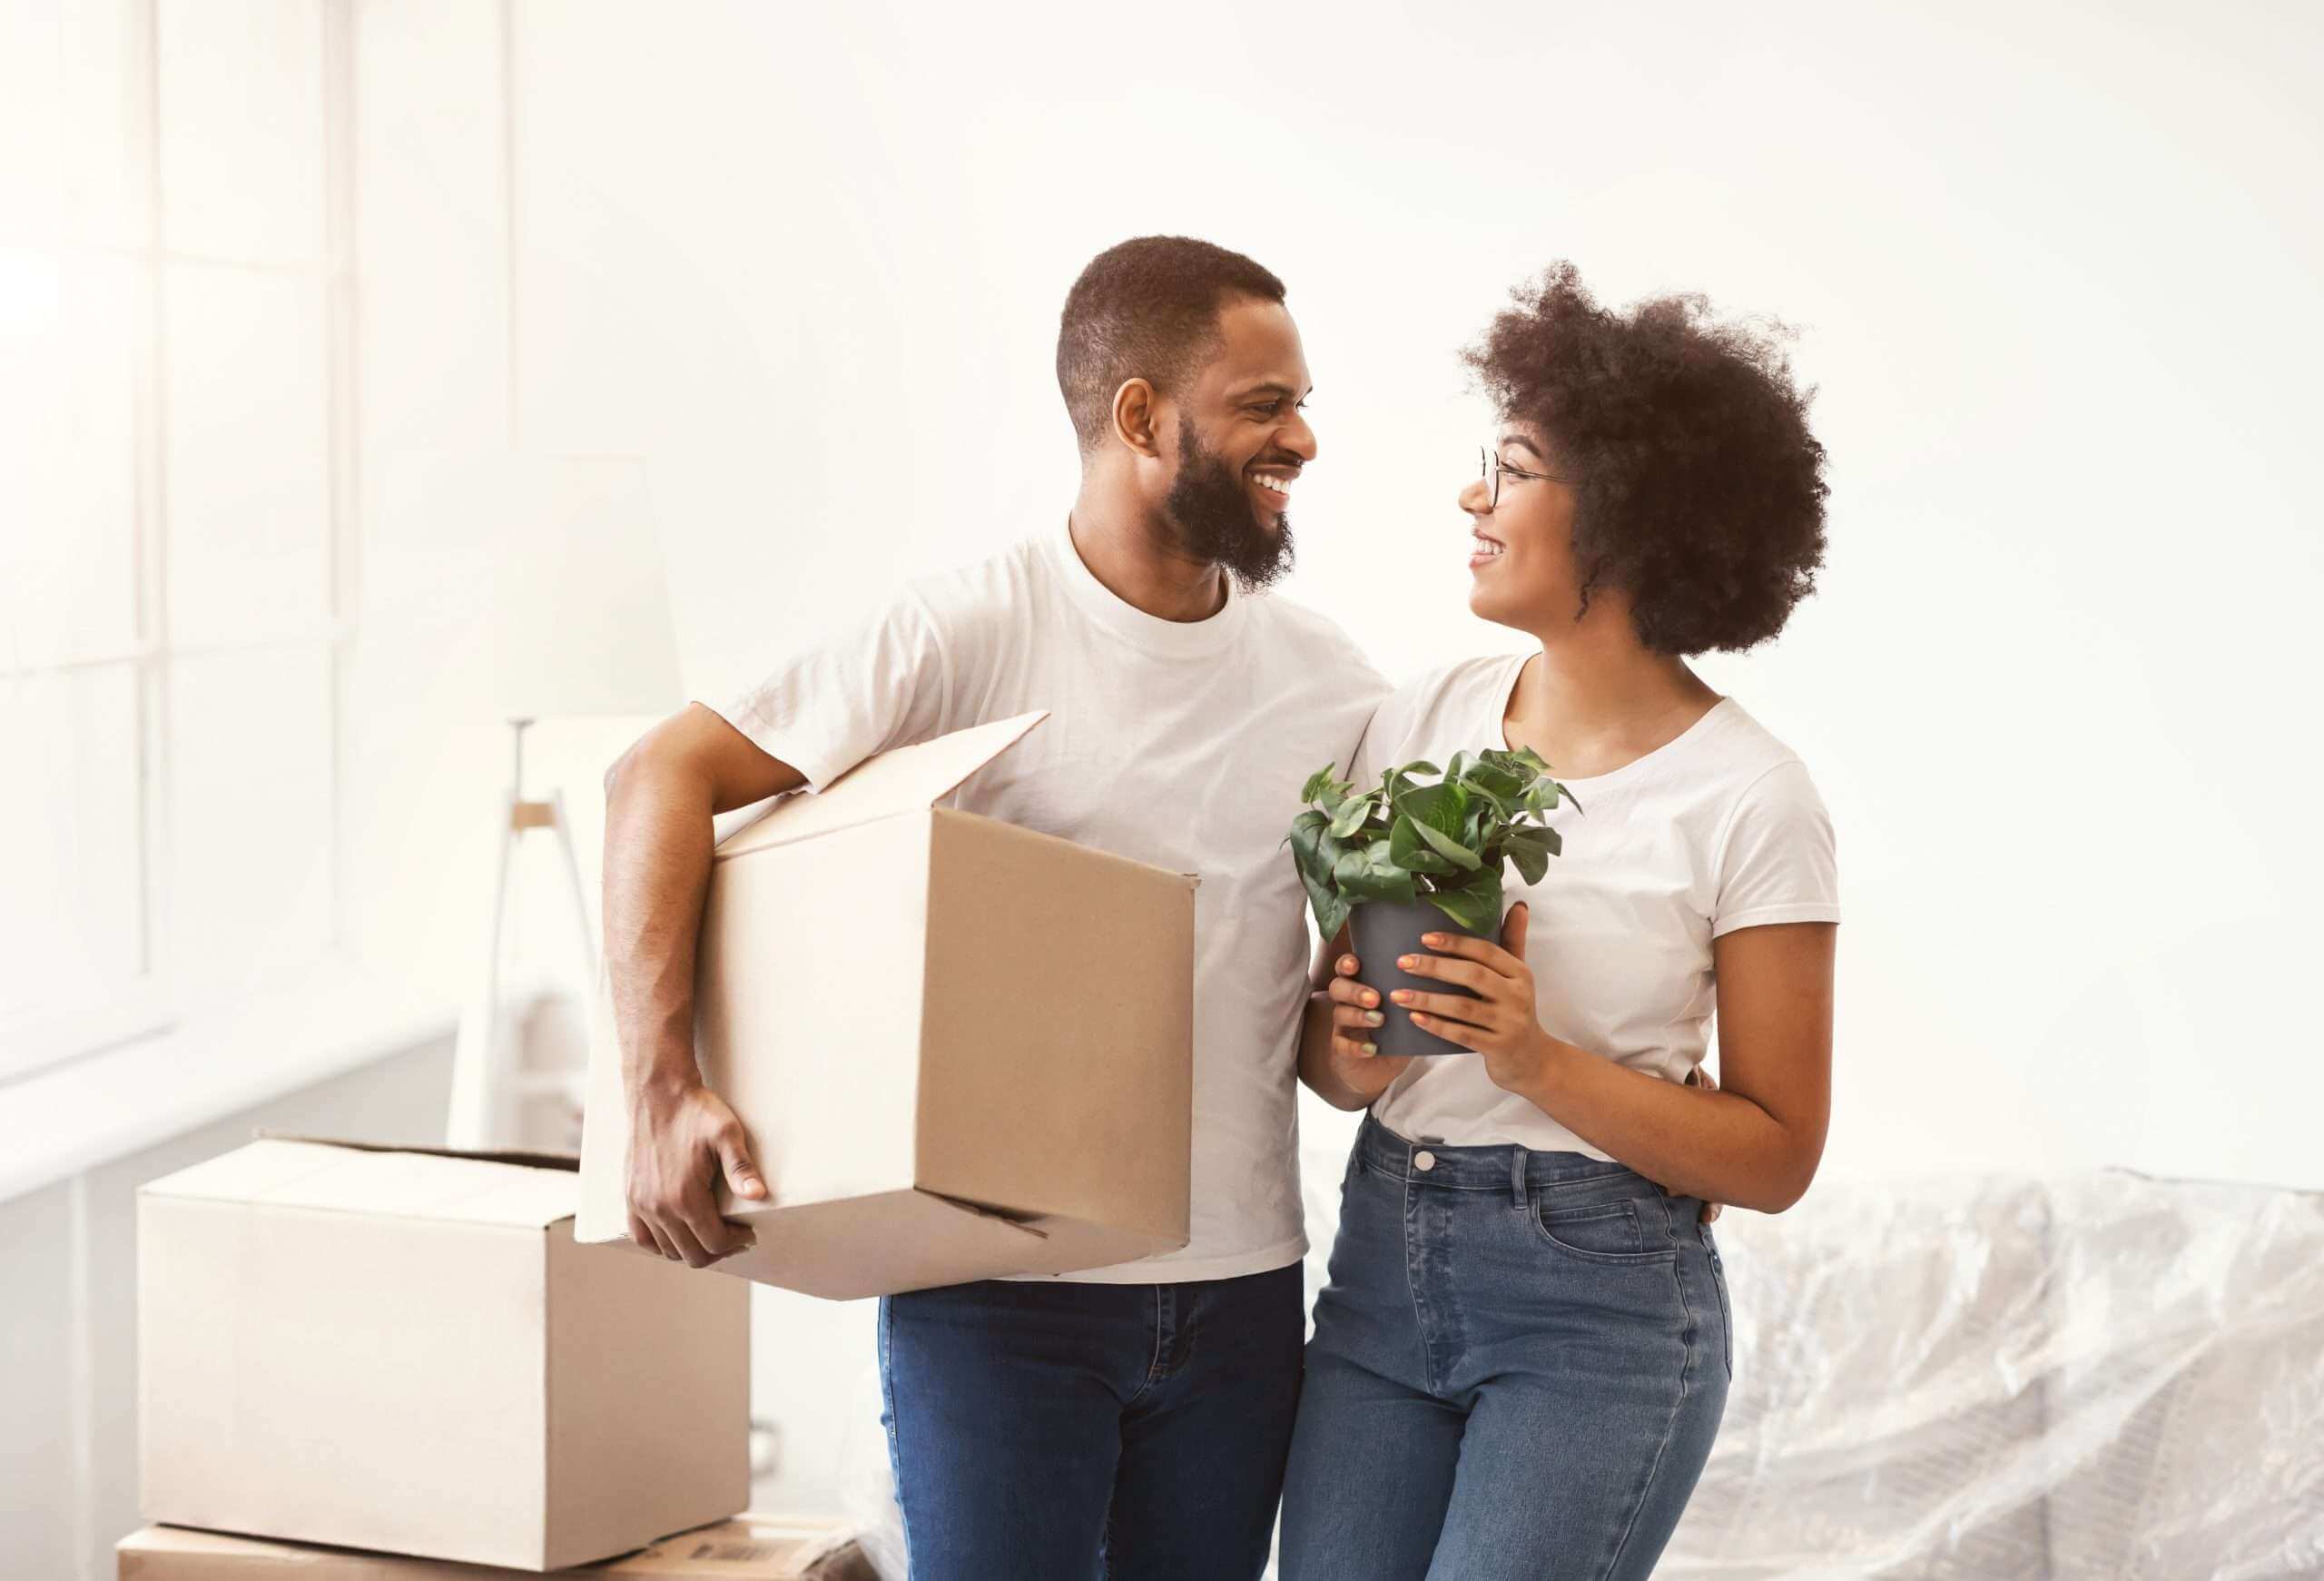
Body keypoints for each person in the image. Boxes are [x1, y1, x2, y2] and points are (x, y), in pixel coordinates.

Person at [599, 235, 1385, 1581]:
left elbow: (1325, 1056)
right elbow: (657, 776)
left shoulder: (1331, 687)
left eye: (1303, 403)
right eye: (1266, 404)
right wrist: (660, 1086)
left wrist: (1364, 1038)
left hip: (1243, 1295)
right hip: (996, 1301)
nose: (1303, 439)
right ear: (1141, 416)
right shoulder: (966, 633)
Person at [1278, 262, 1840, 1581]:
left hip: (1600, 1313)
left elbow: (1774, 1153)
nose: (1476, 497)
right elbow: (1327, 1058)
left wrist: (1535, 1060)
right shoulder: (1415, 720)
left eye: (1515, 469)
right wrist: (1360, 1042)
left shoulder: (1754, 799)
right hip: (1381, 1268)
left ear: (1630, 522)